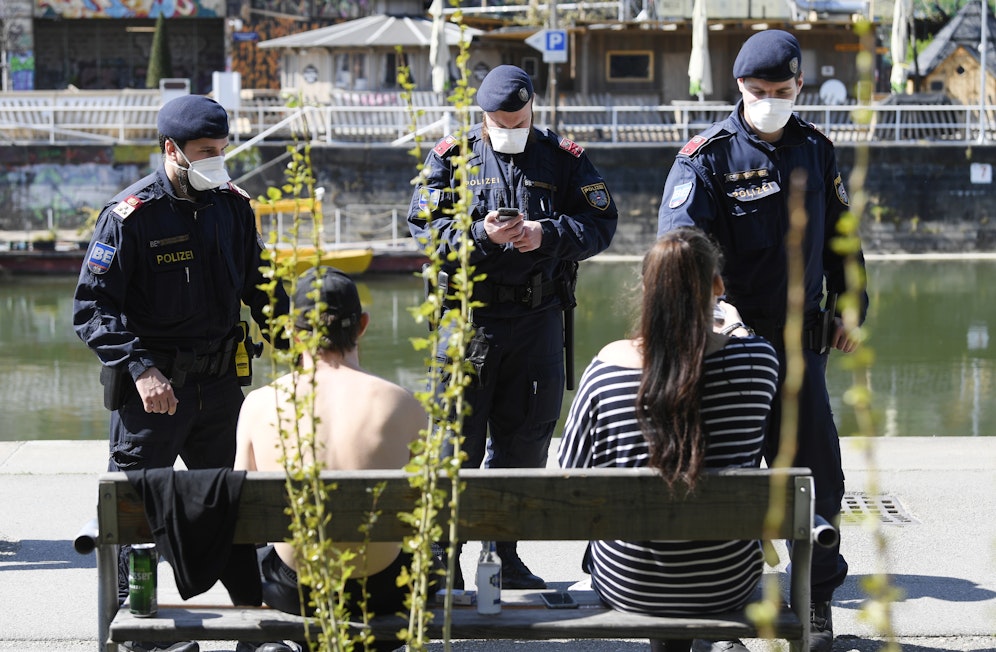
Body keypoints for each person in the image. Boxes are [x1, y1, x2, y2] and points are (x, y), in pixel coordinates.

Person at [656, 29, 869, 652]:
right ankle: (726, 607)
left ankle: (817, 601)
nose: (769, 100)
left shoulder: (816, 150)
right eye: (758, 91)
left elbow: (844, 243)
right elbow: (682, 255)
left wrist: (850, 310)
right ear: (739, 88)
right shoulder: (705, 158)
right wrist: (711, 320)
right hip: (727, 348)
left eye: (781, 90)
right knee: (723, 478)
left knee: (816, 479)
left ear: (800, 86)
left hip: (802, 347)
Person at [73, 94, 289, 652]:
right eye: (206, 151)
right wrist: (141, 369)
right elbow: (93, 310)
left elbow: (260, 287)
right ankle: (136, 631)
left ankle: (256, 623)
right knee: (136, 512)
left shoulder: (232, 205)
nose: (218, 159)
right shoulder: (131, 215)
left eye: (222, 149)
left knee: (237, 505)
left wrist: (303, 345)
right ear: (172, 150)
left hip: (219, 388)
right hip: (153, 395)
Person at [408, 64, 619, 590]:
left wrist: (545, 234)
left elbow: (601, 225)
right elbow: (424, 235)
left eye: (518, 119)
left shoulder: (561, 157)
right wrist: (480, 234)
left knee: (524, 444)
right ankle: (441, 561)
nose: (509, 128)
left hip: (536, 319)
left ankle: (503, 554)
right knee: (453, 446)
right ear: (482, 115)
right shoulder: (450, 158)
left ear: (532, 110)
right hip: (467, 322)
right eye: (499, 121)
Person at [558, 228, 779, 652]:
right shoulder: (758, 360)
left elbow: (571, 471)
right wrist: (738, 332)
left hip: (629, 581)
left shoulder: (606, 367)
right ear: (718, 288)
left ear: (647, 290)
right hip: (725, 580)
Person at [234, 266, 430, 652]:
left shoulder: (259, 404)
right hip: (381, 590)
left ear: (292, 328)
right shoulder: (402, 403)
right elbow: (426, 508)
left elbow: (240, 513)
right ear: (362, 326)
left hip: (295, 588)